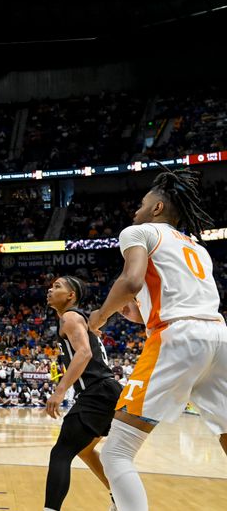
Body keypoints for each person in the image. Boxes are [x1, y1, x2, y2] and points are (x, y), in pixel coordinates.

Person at [88, 168, 227, 511]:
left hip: (178, 337)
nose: (136, 209)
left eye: (142, 203)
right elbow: (181, 299)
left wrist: (100, 316)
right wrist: (143, 314)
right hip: (218, 335)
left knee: (116, 451)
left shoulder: (139, 231)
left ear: (157, 209)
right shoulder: (195, 247)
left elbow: (131, 282)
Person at [43, 276, 122, 511]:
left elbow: (84, 354)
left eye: (57, 286)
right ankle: (119, 497)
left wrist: (59, 391)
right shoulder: (78, 319)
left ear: (71, 296)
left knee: (61, 452)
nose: (50, 289)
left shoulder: (70, 317)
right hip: (108, 391)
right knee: (85, 451)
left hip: (98, 392)